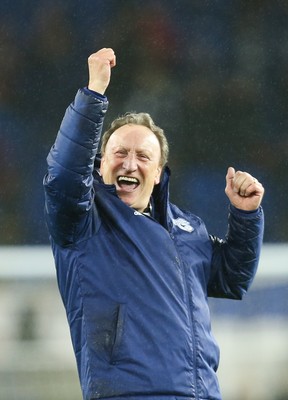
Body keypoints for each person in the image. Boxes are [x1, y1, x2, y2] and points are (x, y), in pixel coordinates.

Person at [44, 48, 265, 400]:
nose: (130, 164)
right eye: (119, 153)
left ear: (158, 173)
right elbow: (63, 176)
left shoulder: (185, 226)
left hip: (202, 392)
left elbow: (233, 278)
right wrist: (93, 93)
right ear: (100, 165)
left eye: (143, 156)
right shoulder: (85, 219)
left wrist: (246, 216)